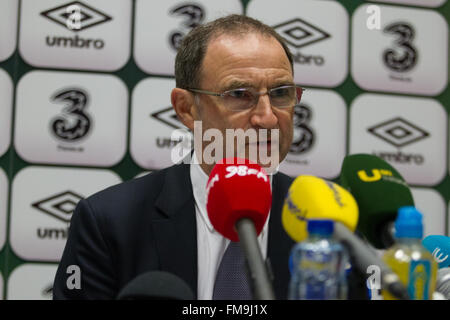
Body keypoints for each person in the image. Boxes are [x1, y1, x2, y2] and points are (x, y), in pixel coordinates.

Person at [53, 14, 366, 300]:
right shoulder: (110, 222)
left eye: (281, 93)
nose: (268, 118)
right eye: (240, 95)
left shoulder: (331, 223)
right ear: (187, 109)